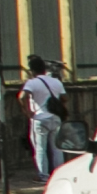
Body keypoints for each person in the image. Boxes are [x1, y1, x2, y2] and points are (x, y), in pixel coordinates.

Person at [21, 54, 68, 182]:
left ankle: (43, 175)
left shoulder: (32, 83)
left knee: (40, 147)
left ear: (31, 70)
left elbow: (22, 96)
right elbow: (64, 98)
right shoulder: (56, 81)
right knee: (57, 147)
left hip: (40, 117)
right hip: (55, 117)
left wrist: (28, 111)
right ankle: (59, 173)